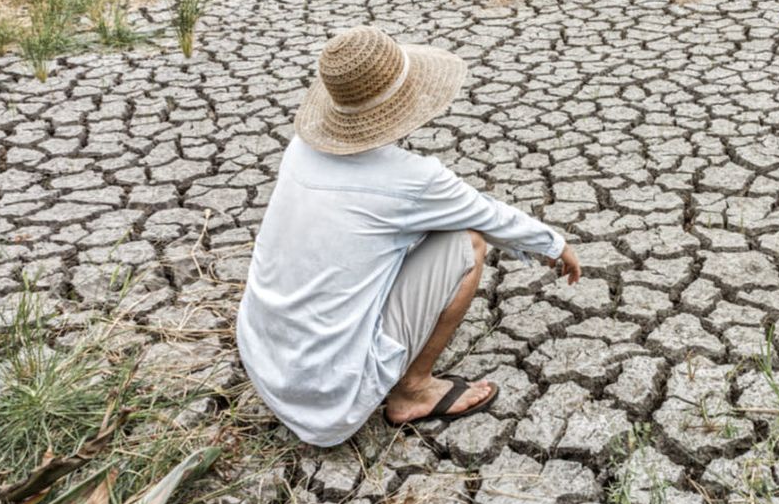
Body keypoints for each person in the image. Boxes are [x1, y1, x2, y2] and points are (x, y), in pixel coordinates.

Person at [236, 26, 581, 447]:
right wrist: (555, 245)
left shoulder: (300, 148)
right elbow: (488, 217)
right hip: (329, 402)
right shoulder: (413, 179)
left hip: (265, 362)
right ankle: (413, 391)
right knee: (466, 241)